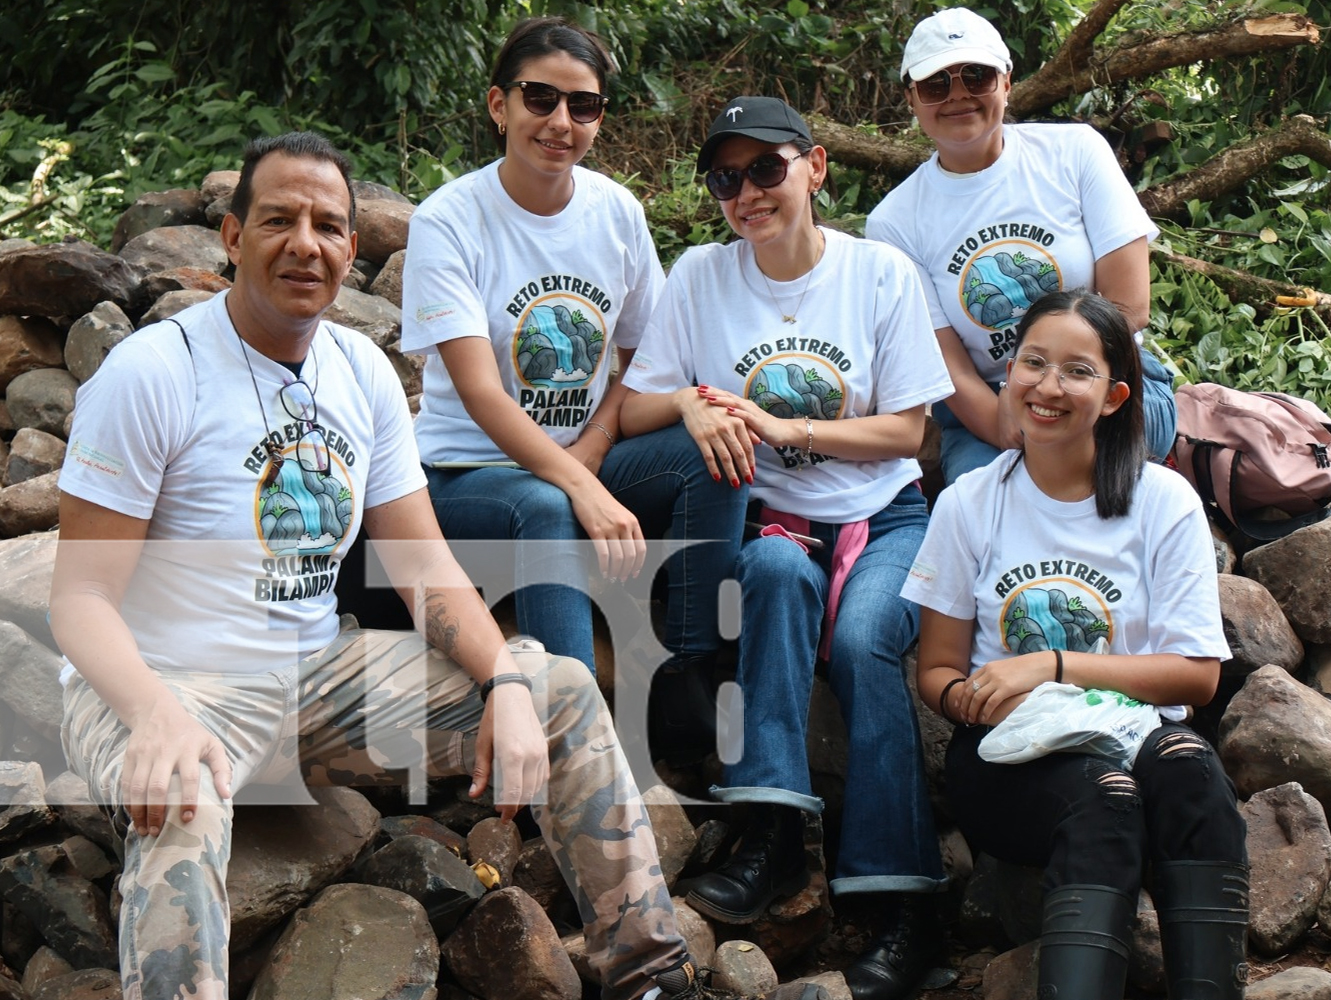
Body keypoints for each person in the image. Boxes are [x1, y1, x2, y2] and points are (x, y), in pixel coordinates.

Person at [51, 131, 824, 1000]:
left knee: (558, 688)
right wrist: (153, 713)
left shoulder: (359, 373)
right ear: (232, 237)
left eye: (327, 226)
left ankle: (649, 974)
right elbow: (80, 599)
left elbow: (422, 565)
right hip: (167, 684)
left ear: (352, 248)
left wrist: (504, 679)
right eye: (278, 221)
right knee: (182, 795)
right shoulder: (155, 372)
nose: (305, 244)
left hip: (312, 677)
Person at [619, 96, 954, 1000]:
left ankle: (904, 903)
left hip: (884, 518)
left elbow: (909, 431)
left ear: (815, 167)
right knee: (769, 572)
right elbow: (636, 407)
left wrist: (783, 426)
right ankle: (770, 832)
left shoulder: (878, 272)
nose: (748, 194)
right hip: (771, 521)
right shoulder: (701, 275)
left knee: (865, 640)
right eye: (727, 179)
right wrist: (688, 403)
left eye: (766, 169)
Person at [400, 16, 745, 764]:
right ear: (499, 106)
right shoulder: (449, 220)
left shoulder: (615, 212)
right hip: (468, 474)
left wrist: (593, 446)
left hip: (584, 457)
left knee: (713, 447)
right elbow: (482, 394)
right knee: (546, 504)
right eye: (541, 98)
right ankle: (578, 748)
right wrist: (578, 483)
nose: (560, 121)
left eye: (582, 105)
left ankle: (685, 676)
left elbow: (645, 364)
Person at [904, 290, 1248, 1000]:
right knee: (1104, 799)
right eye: (1033, 363)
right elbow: (935, 671)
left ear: (1116, 395)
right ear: (1009, 374)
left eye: (1077, 371)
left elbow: (1197, 678)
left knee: (1189, 769)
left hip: (1134, 736)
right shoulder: (969, 502)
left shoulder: (1163, 501)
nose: (1048, 386)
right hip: (1010, 757)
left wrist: (1053, 665)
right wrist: (973, 698)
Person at [866, 6, 1178, 488]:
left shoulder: (1076, 152)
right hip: (991, 401)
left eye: (976, 76)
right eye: (935, 85)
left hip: (1106, 381)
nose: (958, 95)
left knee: (1087, 474)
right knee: (989, 497)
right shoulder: (894, 222)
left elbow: (1130, 307)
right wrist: (1006, 421)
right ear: (911, 99)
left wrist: (1051, 391)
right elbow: (946, 362)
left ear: (1007, 82)